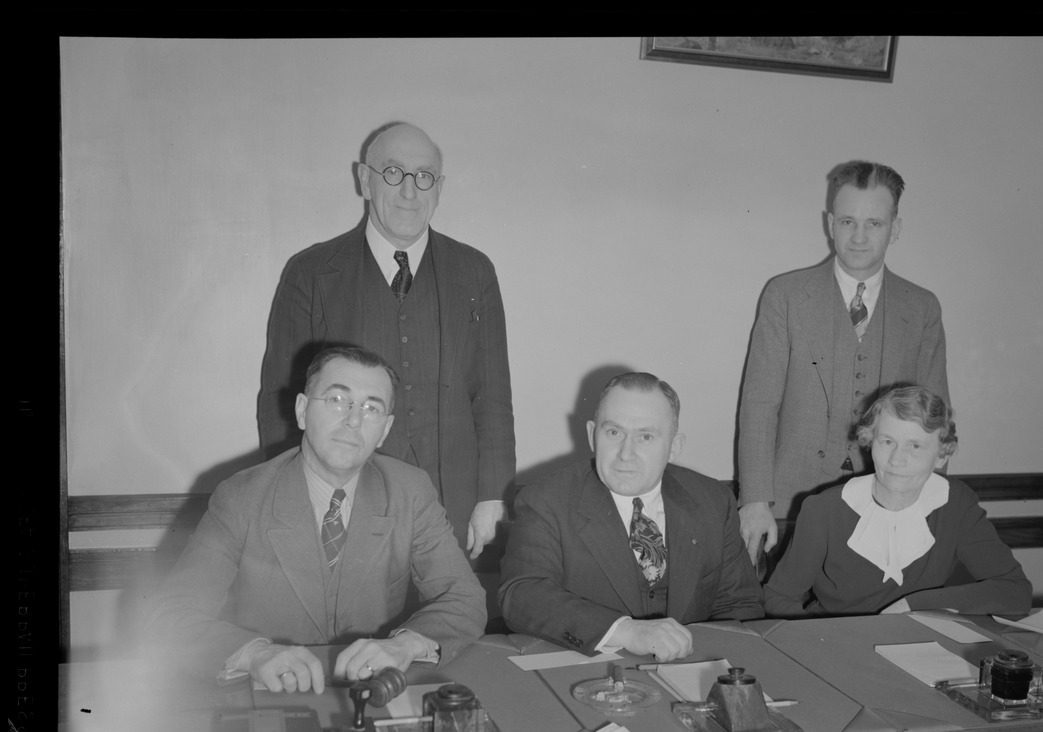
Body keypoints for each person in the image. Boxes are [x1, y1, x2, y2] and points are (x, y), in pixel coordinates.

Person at [148, 346, 486, 693]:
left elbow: (464, 597)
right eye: (338, 400)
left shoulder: (409, 491)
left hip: (373, 694)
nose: (353, 420)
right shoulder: (241, 497)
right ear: (302, 411)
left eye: (371, 408)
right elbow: (171, 614)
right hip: (271, 697)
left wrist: (405, 645)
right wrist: (253, 655)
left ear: (385, 430)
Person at [258, 122, 514, 560]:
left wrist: (491, 494)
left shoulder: (475, 272)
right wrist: (296, 501)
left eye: (424, 176)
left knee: (442, 624)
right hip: (342, 503)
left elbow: (492, 394)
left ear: (440, 186)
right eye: (393, 173)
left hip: (449, 505)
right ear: (365, 179)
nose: (410, 191)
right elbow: (281, 401)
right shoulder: (312, 273)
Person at [738, 161, 950, 568]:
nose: (858, 236)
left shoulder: (921, 308)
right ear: (830, 223)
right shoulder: (785, 296)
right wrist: (755, 502)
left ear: (896, 228)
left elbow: (934, 422)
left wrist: (924, 506)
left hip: (887, 506)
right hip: (788, 506)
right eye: (848, 221)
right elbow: (759, 407)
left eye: (874, 223)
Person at [499, 372, 765, 662]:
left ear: (674, 447)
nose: (626, 453)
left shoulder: (712, 500)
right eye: (613, 433)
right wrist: (627, 632)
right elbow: (522, 596)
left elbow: (741, 606)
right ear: (592, 435)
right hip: (586, 672)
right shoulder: (547, 499)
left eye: (645, 436)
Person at [763, 385, 1032, 618]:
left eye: (915, 446)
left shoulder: (955, 504)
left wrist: (913, 605)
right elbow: (777, 598)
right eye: (887, 441)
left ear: (941, 455)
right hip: (835, 644)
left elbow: (1014, 591)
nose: (896, 460)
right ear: (870, 442)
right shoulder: (825, 509)